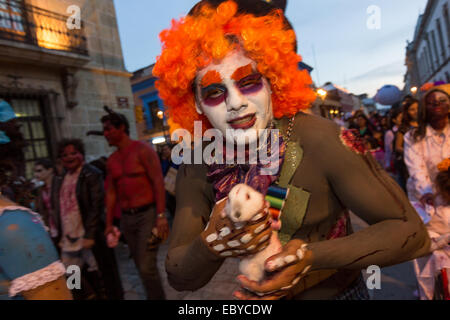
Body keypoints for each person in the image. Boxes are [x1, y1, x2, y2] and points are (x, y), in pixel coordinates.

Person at [153, 0, 431, 300]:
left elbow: (412, 233)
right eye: (214, 92)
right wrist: (211, 244)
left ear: (271, 80)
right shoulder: (198, 163)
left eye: (248, 82)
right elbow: (179, 276)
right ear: (195, 102)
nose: (235, 103)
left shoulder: (322, 140)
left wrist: (310, 257)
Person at [0, 100, 72, 300]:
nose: (37, 174)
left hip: (68, 238)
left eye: (41, 170)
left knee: (78, 273)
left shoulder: (12, 227)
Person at [101, 108, 169, 300]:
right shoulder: (112, 160)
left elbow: (158, 182)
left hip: (147, 215)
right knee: (140, 264)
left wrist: (161, 215)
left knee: (147, 266)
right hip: (126, 218)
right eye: (104, 130)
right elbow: (111, 193)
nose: (105, 134)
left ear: (121, 127)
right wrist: (108, 223)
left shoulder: (142, 150)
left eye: (108, 129)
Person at [52, 139, 124, 300]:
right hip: (69, 238)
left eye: (73, 153)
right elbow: (57, 208)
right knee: (73, 276)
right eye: (64, 155)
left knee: (102, 275)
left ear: (81, 154)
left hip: (90, 236)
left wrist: (90, 235)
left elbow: (96, 205)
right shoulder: (59, 179)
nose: (69, 157)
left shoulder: (91, 174)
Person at [403, 84, 450, 300]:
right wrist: (427, 191)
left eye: (443, 100)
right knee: (426, 257)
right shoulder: (413, 136)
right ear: (424, 107)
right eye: (433, 101)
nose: (438, 104)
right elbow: (416, 168)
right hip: (428, 206)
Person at [34, 159, 60, 250]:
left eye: (40, 171)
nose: (36, 174)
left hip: (62, 226)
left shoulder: (60, 184)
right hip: (51, 228)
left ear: (50, 170)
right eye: (35, 171)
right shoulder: (40, 190)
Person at [384, 107, 403, 174]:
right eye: (400, 117)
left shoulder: (408, 129)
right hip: (398, 161)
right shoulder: (390, 133)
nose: (402, 119)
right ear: (394, 120)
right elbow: (388, 150)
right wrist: (387, 164)